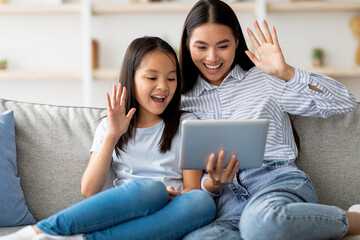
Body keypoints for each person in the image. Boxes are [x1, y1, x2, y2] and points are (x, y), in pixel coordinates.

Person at [1, 36, 216, 240]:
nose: (163, 86)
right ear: (131, 79)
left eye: (171, 78)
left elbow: (192, 188)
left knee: (202, 202)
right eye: (152, 77)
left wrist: (174, 196)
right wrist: (113, 134)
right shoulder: (109, 125)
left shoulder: (187, 124)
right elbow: (89, 189)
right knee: (152, 189)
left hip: (168, 211)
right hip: (134, 202)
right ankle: (39, 232)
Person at [179, 0, 360, 239]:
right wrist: (211, 183)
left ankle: (354, 219)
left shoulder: (265, 78)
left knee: (261, 223)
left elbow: (344, 103)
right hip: (227, 201)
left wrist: (287, 73)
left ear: (236, 42)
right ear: (187, 46)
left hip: (276, 182)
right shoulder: (181, 99)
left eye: (223, 46)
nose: (212, 57)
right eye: (201, 47)